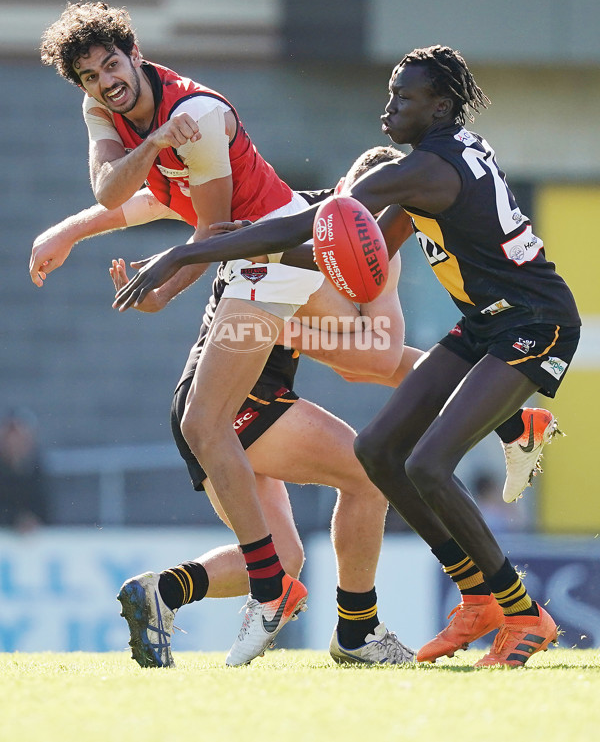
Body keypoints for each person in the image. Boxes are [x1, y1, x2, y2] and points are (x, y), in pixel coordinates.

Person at [115, 45, 580, 668]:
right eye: (389, 94)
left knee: (426, 464)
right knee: (376, 453)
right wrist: (207, 252)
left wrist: (184, 255)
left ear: (440, 107)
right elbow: (327, 259)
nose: (388, 107)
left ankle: (519, 612)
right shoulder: (439, 166)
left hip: (534, 323)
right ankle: (468, 596)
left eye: (403, 98)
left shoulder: (424, 173)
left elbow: (317, 244)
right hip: (485, 325)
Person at [28, 121, 416, 663]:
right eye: (359, 198)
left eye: (381, 208)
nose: (363, 214)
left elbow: (383, 354)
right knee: (368, 474)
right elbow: (156, 202)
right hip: (235, 401)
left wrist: (476, 388)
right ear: (346, 185)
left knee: (281, 560)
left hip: (228, 398)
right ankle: (358, 632)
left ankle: (160, 592)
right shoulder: (289, 216)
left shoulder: (381, 250)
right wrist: (68, 232)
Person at [0, 408, 47, 532]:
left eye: (19, 437)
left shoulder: (36, 471)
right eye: (10, 437)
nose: (14, 442)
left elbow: (46, 507)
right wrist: (14, 520)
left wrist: (32, 519)